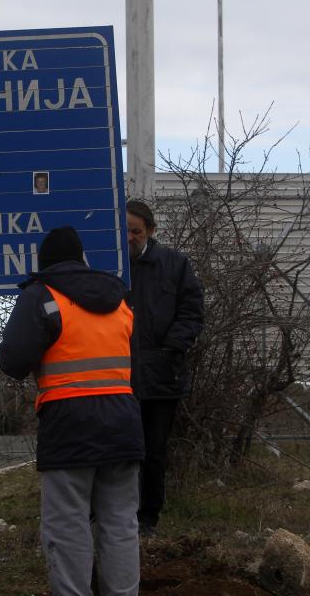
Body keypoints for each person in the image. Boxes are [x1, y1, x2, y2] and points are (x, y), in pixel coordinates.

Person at [0, 226, 144, 596]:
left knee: (68, 526)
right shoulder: (120, 298)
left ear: (44, 264)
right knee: (121, 523)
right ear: (83, 259)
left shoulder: (41, 296)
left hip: (69, 424)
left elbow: (13, 361)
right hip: (123, 422)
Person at [126, 200, 204, 537]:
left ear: (151, 231)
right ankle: (115, 514)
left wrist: (172, 348)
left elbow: (192, 311)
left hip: (162, 375)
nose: (129, 237)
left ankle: (148, 517)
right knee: (119, 451)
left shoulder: (174, 264)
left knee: (154, 450)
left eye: (136, 231)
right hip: (118, 375)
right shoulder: (109, 267)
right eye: (124, 230)